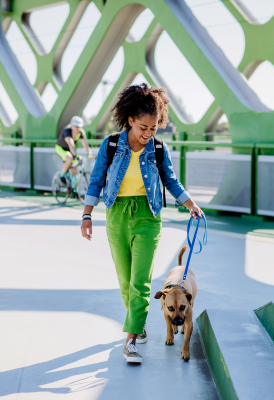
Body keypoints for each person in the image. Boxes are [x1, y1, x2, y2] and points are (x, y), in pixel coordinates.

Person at [80, 84, 203, 364]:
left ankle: (131, 340)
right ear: (131, 120)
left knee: (141, 282)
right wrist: (87, 215)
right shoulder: (111, 144)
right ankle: (138, 323)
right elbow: (96, 180)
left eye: (154, 128)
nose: (148, 134)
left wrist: (191, 204)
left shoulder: (158, 149)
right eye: (143, 128)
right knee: (125, 282)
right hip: (117, 214)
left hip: (148, 216)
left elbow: (171, 180)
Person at [55, 116, 92, 184]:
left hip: (70, 150)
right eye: (75, 126)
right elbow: (70, 143)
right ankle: (62, 175)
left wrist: (89, 153)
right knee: (70, 158)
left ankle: (75, 190)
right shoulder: (67, 130)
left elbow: (85, 144)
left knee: (75, 169)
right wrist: (75, 155)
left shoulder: (81, 132)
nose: (77, 128)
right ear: (72, 125)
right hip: (61, 148)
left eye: (79, 126)